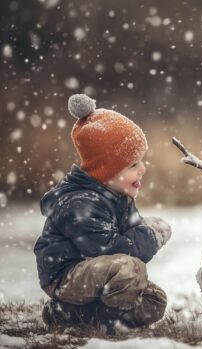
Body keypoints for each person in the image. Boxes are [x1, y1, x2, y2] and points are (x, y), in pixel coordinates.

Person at [34, 94, 172, 334]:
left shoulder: (119, 196)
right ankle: (109, 326)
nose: (143, 168)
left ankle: (71, 315)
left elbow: (130, 235)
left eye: (141, 161)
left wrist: (148, 229)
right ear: (106, 171)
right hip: (66, 275)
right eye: (133, 165)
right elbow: (110, 250)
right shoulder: (80, 203)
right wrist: (149, 237)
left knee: (154, 301)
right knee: (129, 269)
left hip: (97, 274)